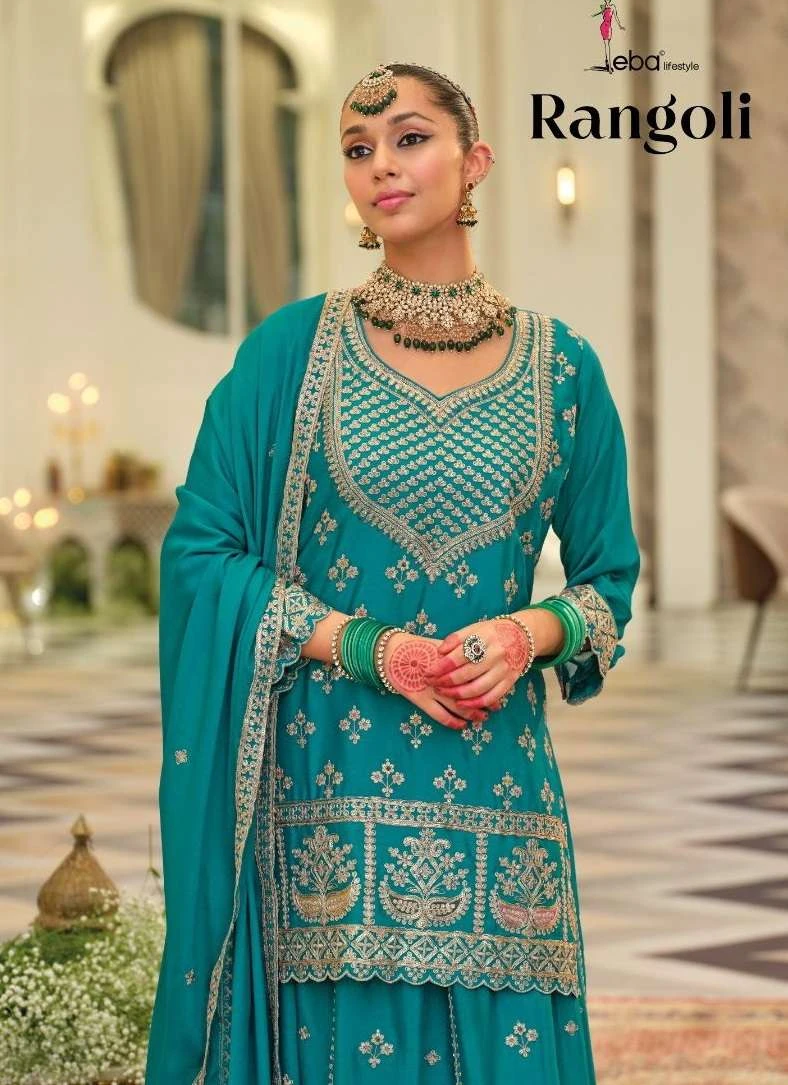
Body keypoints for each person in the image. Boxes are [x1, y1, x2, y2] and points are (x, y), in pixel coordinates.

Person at [145, 61, 641, 1084]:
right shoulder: (289, 352)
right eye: (357, 148)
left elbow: (606, 584)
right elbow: (202, 555)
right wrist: (366, 646)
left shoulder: (564, 368)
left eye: (410, 138)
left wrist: (525, 633)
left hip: (497, 784)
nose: (381, 164)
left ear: (475, 161)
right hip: (326, 786)